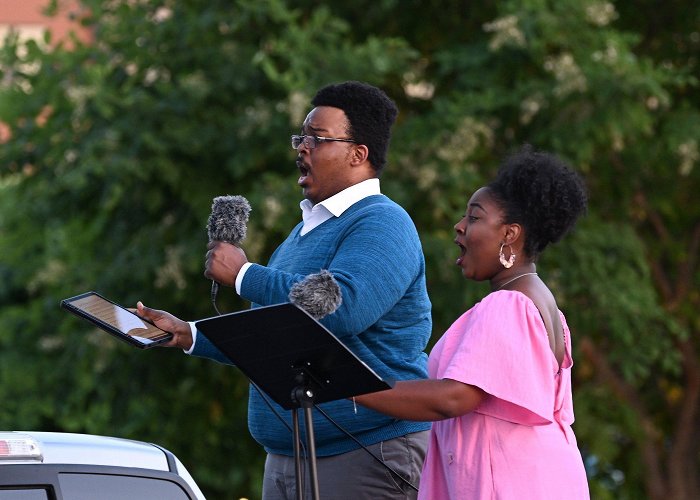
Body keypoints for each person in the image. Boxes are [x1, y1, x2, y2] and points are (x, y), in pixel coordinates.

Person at [137, 81, 432, 499]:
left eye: (317, 138)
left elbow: (342, 309)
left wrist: (244, 276)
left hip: (365, 452)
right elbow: (277, 336)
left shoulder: (383, 223)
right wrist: (188, 334)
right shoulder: (302, 233)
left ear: (358, 154)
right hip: (289, 455)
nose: (302, 148)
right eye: (301, 137)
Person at [353, 145, 590, 499]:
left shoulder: (508, 305)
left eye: (475, 218)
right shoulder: (542, 305)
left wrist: (346, 385)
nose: (459, 227)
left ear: (510, 234)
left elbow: (452, 398)